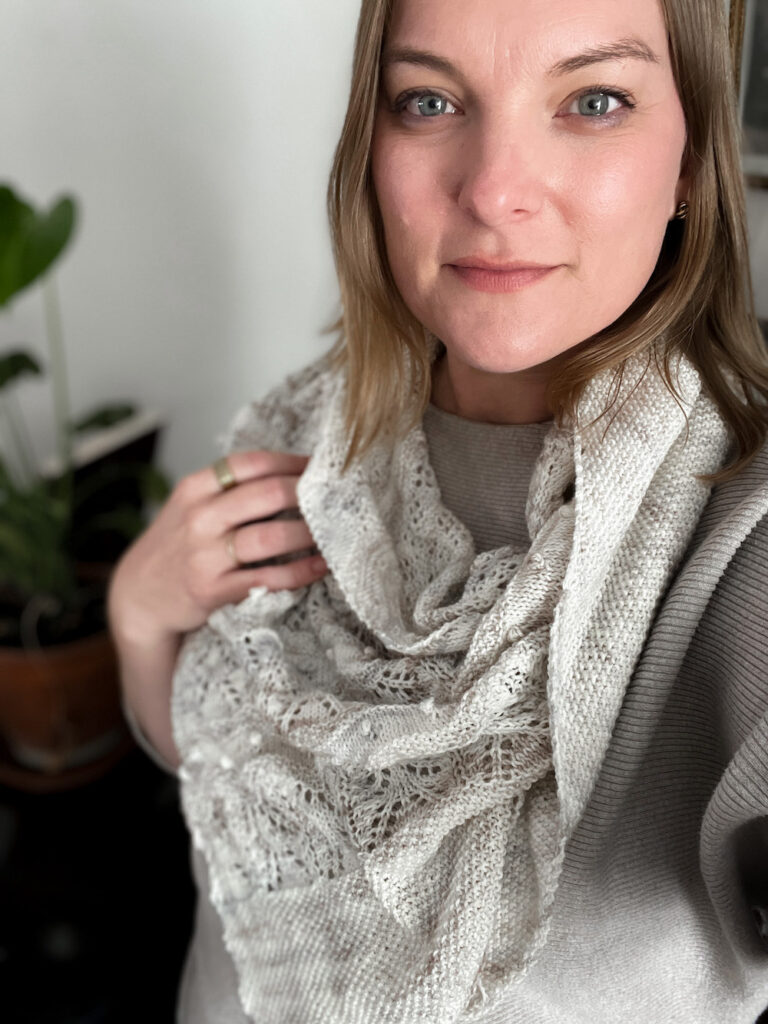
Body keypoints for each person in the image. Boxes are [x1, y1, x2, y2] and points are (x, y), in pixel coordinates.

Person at [106, 0, 768, 1020]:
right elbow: (225, 786)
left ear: (688, 161)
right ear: (370, 148)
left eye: (594, 100)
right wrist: (141, 621)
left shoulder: (741, 522)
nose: (495, 189)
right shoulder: (308, 435)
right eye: (429, 100)